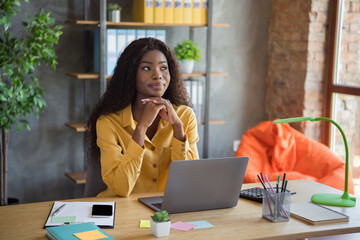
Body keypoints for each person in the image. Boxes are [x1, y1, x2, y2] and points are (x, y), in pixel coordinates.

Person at [87, 37, 199, 197]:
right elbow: (121, 188)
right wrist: (141, 128)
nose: (158, 75)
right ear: (131, 74)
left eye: (163, 68)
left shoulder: (185, 116)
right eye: (147, 68)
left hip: (165, 211)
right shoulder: (108, 122)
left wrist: (178, 130)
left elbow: (190, 183)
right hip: (123, 210)